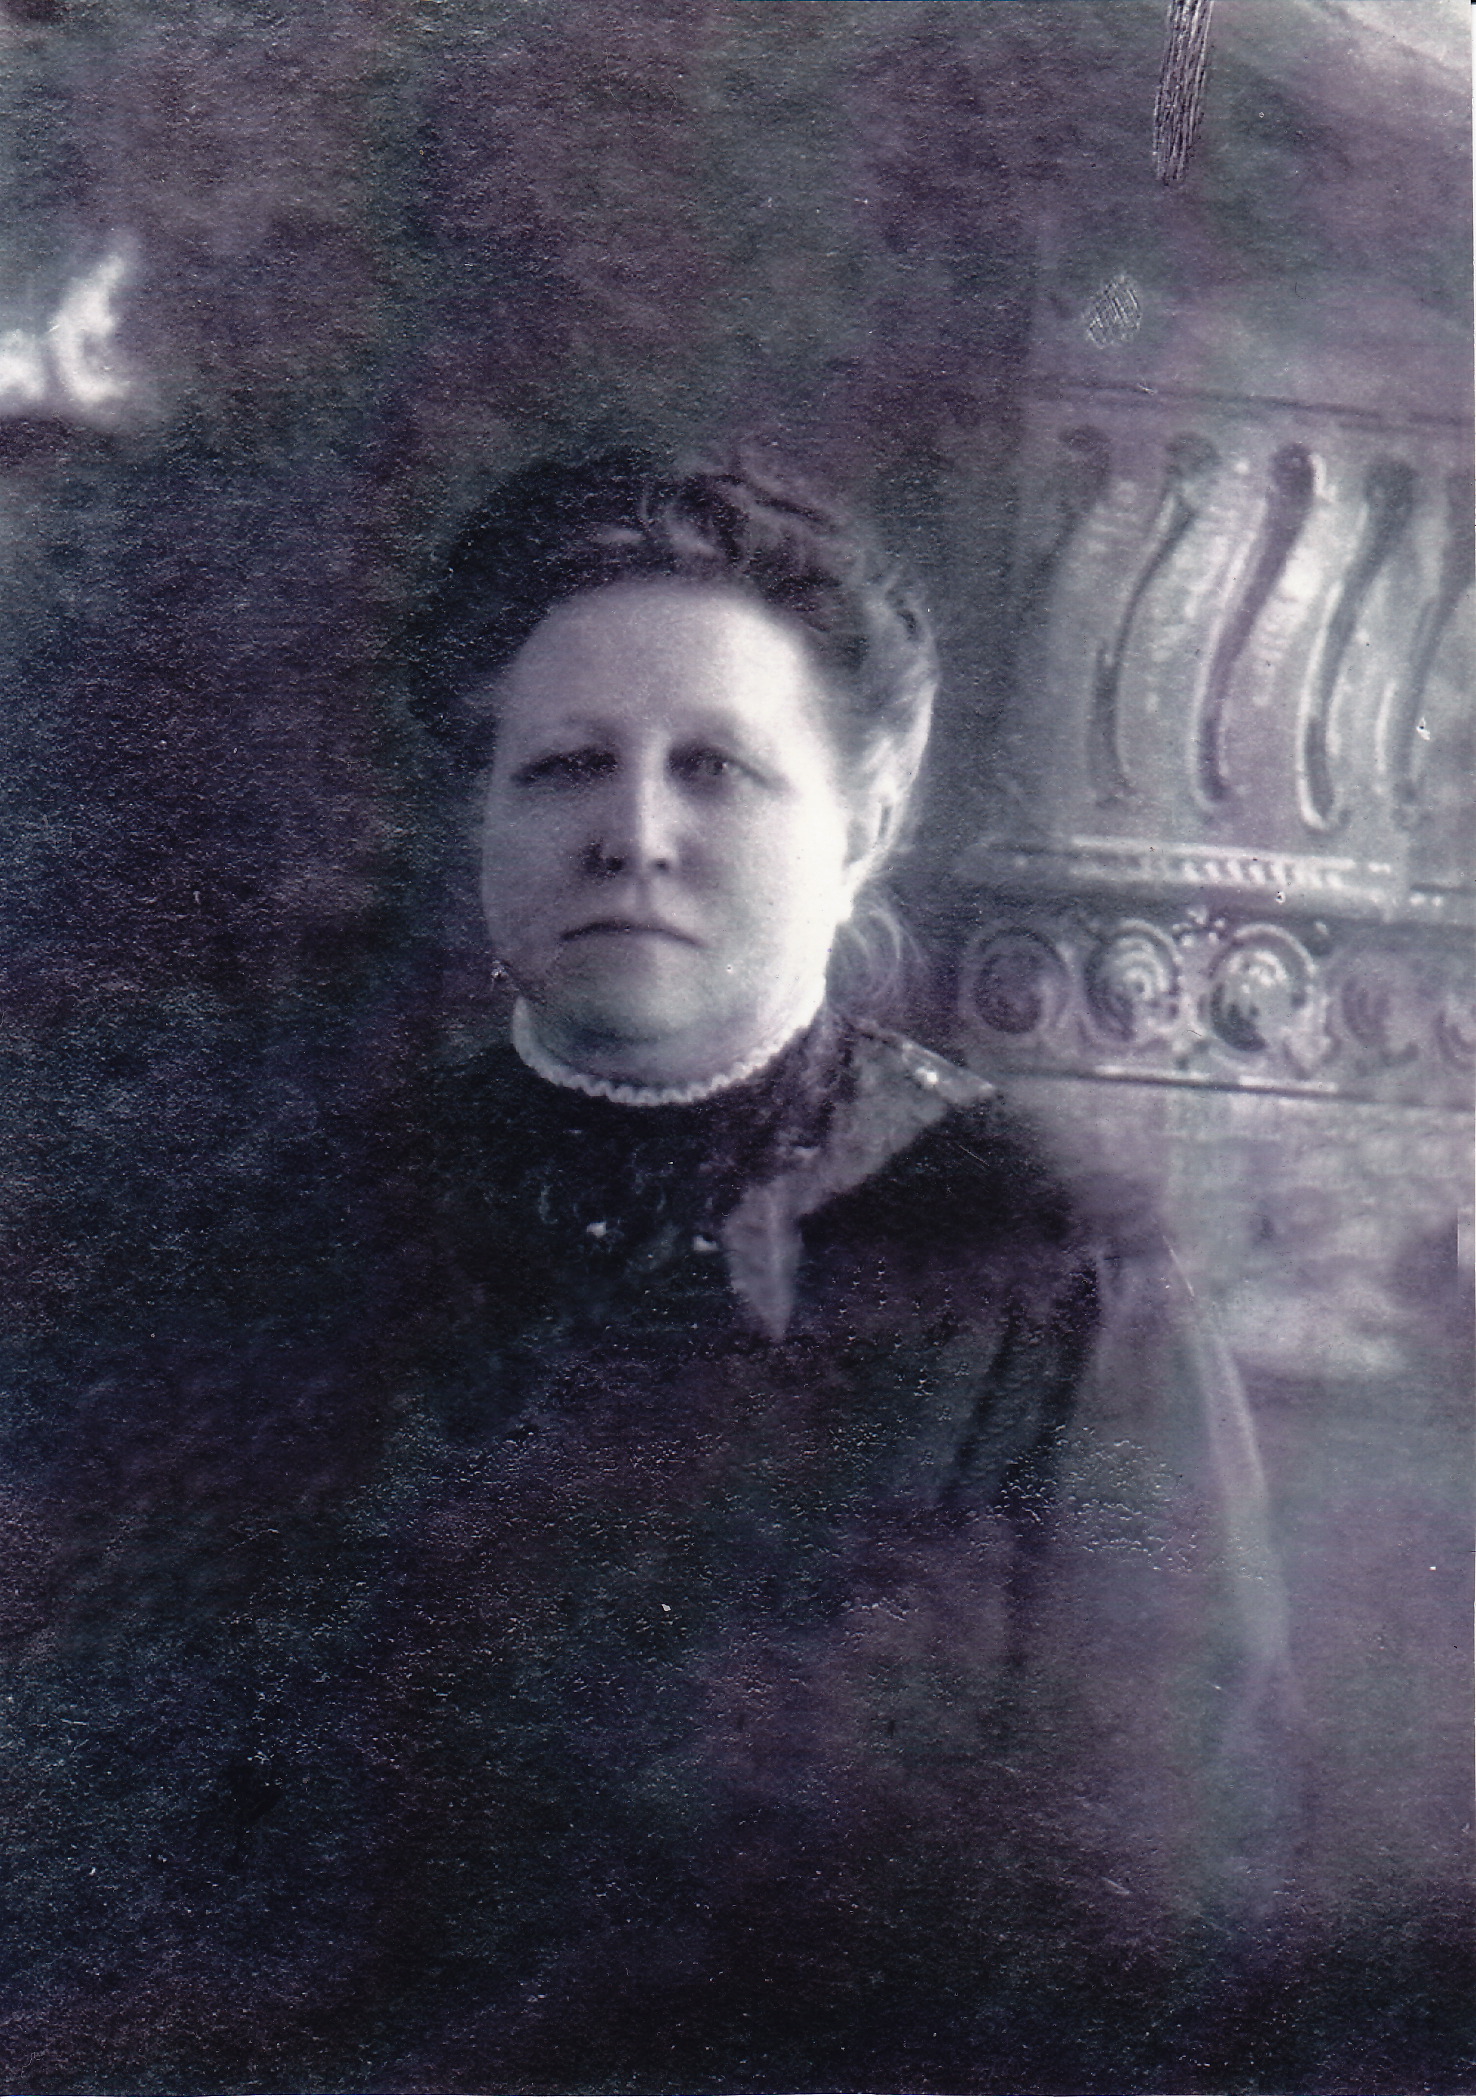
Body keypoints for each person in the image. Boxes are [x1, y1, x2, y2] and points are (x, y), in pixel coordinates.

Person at [0, 450, 1295, 2092]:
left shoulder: (1042, 1269)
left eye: (717, 771)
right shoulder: (297, 1248)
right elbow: (116, 1850)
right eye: (564, 768)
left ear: (865, 823)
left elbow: (1173, 1871)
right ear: (483, 817)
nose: (632, 834)